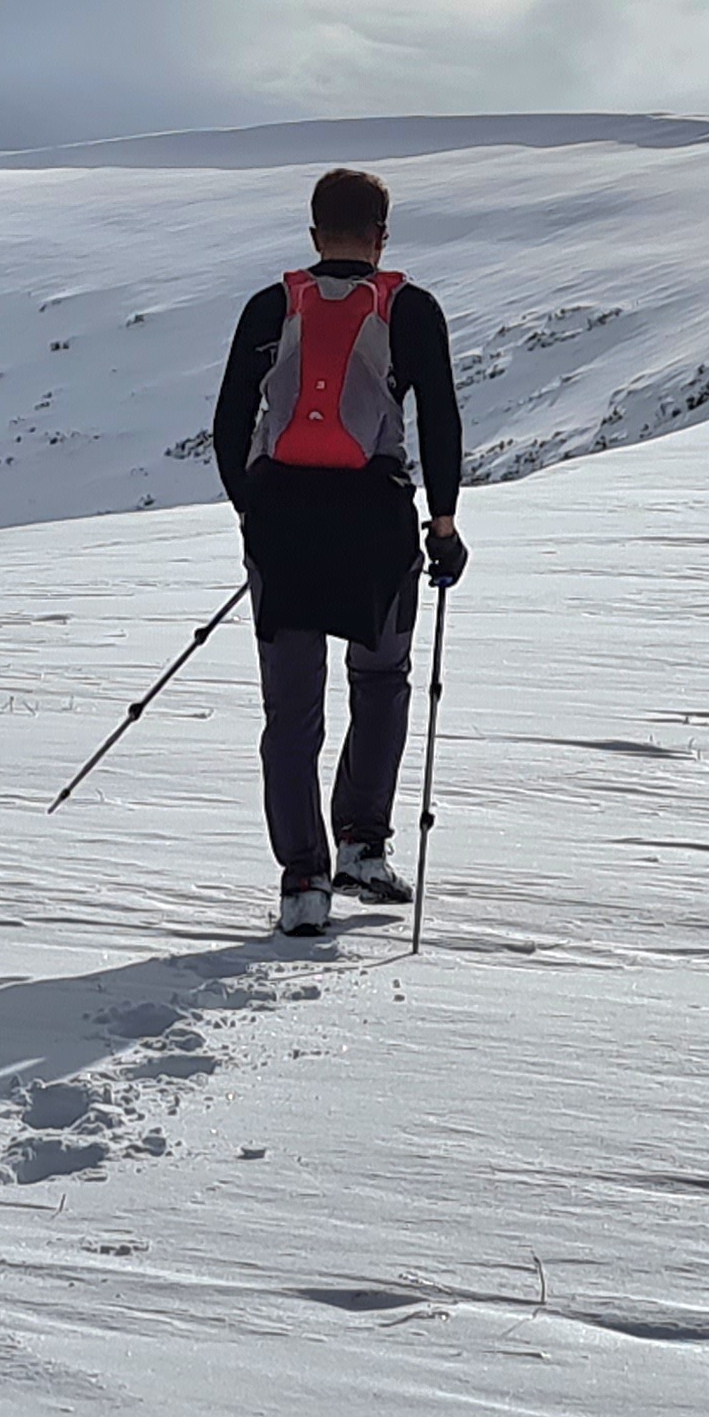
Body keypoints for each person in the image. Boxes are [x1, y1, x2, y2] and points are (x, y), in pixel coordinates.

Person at [211, 167, 470, 936]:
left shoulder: (272, 305)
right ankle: (362, 843)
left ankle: (303, 883)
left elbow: (229, 419)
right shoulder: (410, 309)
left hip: (283, 524)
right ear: (381, 237)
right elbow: (441, 419)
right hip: (374, 523)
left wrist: (253, 510)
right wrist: (444, 525)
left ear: (314, 233)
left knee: (292, 711)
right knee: (382, 678)